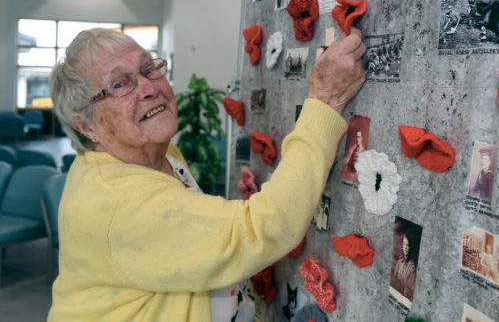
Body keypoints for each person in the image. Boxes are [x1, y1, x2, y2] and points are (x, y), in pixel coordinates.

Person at [47, 27, 366, 321]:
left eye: (148, 70)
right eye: (120, 84)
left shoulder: (153, 151)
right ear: (86, 125)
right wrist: (325, 100)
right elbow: (261, 229)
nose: (149, 88)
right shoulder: (120, 202)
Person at [390, 233, 417, 301]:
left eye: (407, 245)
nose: (405, 247)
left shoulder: (412, 268)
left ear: (411, 247)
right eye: (404, 244)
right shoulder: (399, 262)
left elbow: (410, 291)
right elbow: (394, 279)